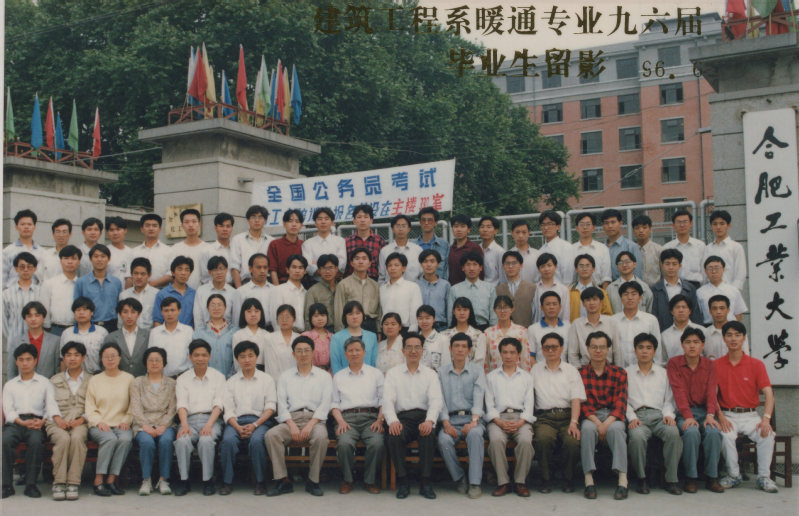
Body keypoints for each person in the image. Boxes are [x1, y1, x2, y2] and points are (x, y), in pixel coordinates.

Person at [265, 335, 333, 497]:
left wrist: (311, 424)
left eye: (307, 350)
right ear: (293, 354)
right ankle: (282, 480)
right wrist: (291, 424)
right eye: (299, 351)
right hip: (291, 419)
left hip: (314, 420)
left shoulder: (324, 376)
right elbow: (281, 404)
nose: (303, 354)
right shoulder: (285, 376)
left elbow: (325, 404)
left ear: (313, 352)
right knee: (271, 435)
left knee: (321, 437)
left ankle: (313, 480)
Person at [716, 321, 779, 493]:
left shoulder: (756, 364)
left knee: (767, 434)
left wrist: (766, 419)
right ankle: (733, 475)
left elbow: (769, 394)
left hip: (751, 416)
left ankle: (764, 477)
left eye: (737, 335)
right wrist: (720, 416)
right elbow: (712, 396)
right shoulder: (716, 365)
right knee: (725, 436)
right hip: (728, 415)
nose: (733, 339)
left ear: (744, 338)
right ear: (724, 339)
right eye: (729, 335)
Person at [383, 332, 444, 500]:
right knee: (394, 435)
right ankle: (403, 481)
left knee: (428, 434)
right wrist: (393, 421)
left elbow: (436, 401)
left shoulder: (430, 374)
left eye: (417, 347)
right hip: (403, 418)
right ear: (403, 351)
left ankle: (425, 482)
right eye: (409, 347)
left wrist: (430, 421)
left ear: (422, 351)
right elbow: (387, 401)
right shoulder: (393, 373)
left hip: (424, 416)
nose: (413, 351)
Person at [666, 327, 725, 494]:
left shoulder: (709, 365)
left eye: (696, 342)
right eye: (688, 342)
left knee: (714, 432)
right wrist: (688, 416)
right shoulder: (674, 364)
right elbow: (678, 392)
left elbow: (711, 392)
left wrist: (711, 415)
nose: (692, 346)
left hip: (705, 411)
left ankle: (712, 477)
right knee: (691, 432)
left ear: (703, 345)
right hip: (682, 412)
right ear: (682, 345)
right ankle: (690, 477)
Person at [625, 333, 683, 495]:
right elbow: (623, 400)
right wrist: (632, 417)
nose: (644, 351)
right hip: (638, 416)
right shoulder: (626, 373)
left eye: (648, 348)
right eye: (641, 347)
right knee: (636, 437)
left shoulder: (663, 373)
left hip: (659, 416)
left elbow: (669, 399)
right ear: (635, 351)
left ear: (654, 351)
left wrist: (668, 415)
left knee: (673, 433)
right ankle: (641, 478)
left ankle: (671, 479)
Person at [219, 340, 277, 496]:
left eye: (250, 355)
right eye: (242, 356)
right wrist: (237, 427)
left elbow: (270, 407)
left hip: (260, 422)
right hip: (236, 422)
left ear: (256, 357)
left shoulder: (267, 379)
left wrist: (255, 425)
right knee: (228, 441)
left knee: (257, 441)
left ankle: (260, 482)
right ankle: (227, 481)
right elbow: (228, 410)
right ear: (237, 359)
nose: (247, 360)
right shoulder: (231, 382)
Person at [2, 344, 59, 499]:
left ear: (35, 361)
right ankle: (6, 485)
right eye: (21, 360)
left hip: (36, 423)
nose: (25, 363)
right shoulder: (10, 385)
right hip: (15, 423)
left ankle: (31, 485)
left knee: (36, 442)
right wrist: (21, 422)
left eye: (28, 359)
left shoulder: (45, 382)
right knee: (5, 440)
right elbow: (8, 410)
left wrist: (43, 421)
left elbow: (51, 406)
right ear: (16, 362)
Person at [330, 337, 385, 494]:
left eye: (357, 350)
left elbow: (384, 401)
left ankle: (370, 480)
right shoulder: (339, 376)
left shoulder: (375, 374)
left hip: (371, 419)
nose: (354, 353)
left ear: (364, 352)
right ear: (345, 354)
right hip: (347, 420)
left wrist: (380, 420)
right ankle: (347, 480)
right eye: (350, 351)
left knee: (377, 443)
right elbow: (334, 404)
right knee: (344, 443)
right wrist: (340, 421)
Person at [531, 332, 585, 494]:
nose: (550, 350)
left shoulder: (571, 370)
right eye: (546, 347)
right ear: (542, 349)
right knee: (543, 439)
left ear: (562, 348)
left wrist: (574, 422)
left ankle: (568, 478)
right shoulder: (535, 370)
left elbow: (576, 399)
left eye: (554, 347)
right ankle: (546, 478)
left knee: (572, 442)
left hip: (567, 417)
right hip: (544, 418)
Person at [579, 331, 629, 500]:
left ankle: (622, 480)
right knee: (587, 430)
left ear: (608, 349)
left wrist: (606, 424)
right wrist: (597, 423)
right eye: (594, 347)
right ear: (587, 349)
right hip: (590, 416)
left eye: (602, 347)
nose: (598, 351)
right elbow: (582, 403)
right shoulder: (580, 373)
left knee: (617, 430)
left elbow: (621, 402)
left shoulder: (619, 372)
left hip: (612, 416)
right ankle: (589, 480)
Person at [173, 339, 226, 496]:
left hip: (212, 420)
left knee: (206, 440)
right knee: (182, 440)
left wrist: (208, 425)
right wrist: (184, 425)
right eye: (196, 355)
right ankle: (184, 480)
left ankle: (207, 481)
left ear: (209, 356)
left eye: (204, 355)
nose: (200, 358)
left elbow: (218, 404)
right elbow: (181, 404)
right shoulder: (183, 378)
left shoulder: (218, 377)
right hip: (189, 420)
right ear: (190, 357)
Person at [484, 337, 534, 498]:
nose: (508, 356)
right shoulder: (491, 377)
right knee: (496, 440)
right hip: (498, 418)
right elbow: (489, 404)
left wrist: (521, 422)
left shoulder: (526, 377)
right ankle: (503, 482)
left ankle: (520, 482)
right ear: (500, 354)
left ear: (518, 355)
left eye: (512, 352)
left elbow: (529, 404)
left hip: (521, 418)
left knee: (526, 441)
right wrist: (498, 421)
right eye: (505, 352)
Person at [437, 332, 485, 499]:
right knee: (443, 440)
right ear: (450, 348)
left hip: (472, 419)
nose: (460, 349)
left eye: (464, 346)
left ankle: (475, 483)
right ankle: (459, 478)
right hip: (451, 420)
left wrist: (473, 421)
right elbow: (440, 400)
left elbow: (479, 396)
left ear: (469, 350)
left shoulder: (477, 371)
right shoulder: (441, 372)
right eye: (456, 346)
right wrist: (446, 423)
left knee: (475, 435)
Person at [85, 342, 134, 496]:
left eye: (113, 356)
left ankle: (112, 479)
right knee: (109, 439)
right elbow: (89, 406)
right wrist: (99, 422)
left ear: (120, 358)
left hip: (121, 423)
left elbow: (133, 405)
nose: (110, 359)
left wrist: (126, 420)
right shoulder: (95, 380)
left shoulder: (129, 379)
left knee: (125, 439)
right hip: (99, 424)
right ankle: (98, 479)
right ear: (101, 359)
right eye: (106, 356)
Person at [46, 342, 92, 501]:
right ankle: (59, 482)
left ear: (83, 358)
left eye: (76, 355)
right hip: (57, 422)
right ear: (63, 358)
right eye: (68, 355)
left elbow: (95, 405)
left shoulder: (91, 380)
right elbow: (49, 403)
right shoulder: (54, 380)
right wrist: (57, 419)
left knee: (77, 438)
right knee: (63, 439)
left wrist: (82, 419)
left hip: (81, 422)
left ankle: (73, 482)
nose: (72, 359)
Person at [130, 347, 177, 496]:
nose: (154, 363)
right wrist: (145, 426)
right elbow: (135, 408)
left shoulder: (172, 383)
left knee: (166, 441)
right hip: (143, 424)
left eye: (158, 360)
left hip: (166, 424)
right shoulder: (137, 382)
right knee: (147, 443)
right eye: (151, 360)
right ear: (145, 363)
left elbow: (172, 409)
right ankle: (146, 480)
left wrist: (163, 425)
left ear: (164, 363)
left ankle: (164, 479)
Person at [650, 249, 703, 331]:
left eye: (674, 264)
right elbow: (653, 315)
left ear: (680, 266)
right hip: (663, 332)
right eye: (667, 264)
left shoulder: (690, 288)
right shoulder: (655, 289)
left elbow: (695, 313)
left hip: (687, 333)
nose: (671, 267)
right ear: (662, 265)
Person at [73, 244, 122, 332]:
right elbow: (76, 306)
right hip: (89, 325)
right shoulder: (81, 282)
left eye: (103, 256)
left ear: (109, 259)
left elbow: (120, 306)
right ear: (90, 259)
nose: (99, 259)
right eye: (96, 256)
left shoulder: (116, 282)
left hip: (112, 325)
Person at [6, 301, 60, 379]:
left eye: (37, 315)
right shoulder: (16, 341)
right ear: (25, 319)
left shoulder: (55, 341)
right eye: (29, 316)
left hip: (47, 384)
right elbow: (11, 370)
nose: (33, 319)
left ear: (43, 318)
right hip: (22, 384)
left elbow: (58, 369)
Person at [613, 282, 662, 367]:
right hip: (619, 369)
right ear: (621, 298)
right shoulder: (613, 320)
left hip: (644, 369)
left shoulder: (650, 320)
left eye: (634, 294)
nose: (630, 298)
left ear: (640, 298)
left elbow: (657, 349)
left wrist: (657, 367)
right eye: (626, 294)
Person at [333, 247, 381, 333]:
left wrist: (379, 330)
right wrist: (340, 332)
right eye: (357, 259)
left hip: (371, 325)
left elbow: (379, 310)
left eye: (364, 259)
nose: (361, 261)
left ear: (369, 263)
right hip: (350, 325)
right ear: (351, 263)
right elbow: (339, 310)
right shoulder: (343, 284)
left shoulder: (375, 285)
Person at [59, 297, 109, 374]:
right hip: (73, 376)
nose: (81, 313)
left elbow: (107, 358)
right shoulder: (67, 333)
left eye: (85, 310)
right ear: (74, 313)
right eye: (78, 310)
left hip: (96, 375)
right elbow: (62, 360)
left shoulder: (102, 332)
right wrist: (64, 377)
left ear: (92, 312)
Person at [449, 252, 497, 330]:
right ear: (463, 268)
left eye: (475, 264)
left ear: (481, 268)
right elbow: (450, 314)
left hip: (484, 328)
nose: (471, 268)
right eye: (468, 265)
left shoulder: (490, 288)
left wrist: (492, 331)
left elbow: (493, 314)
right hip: (462, 329)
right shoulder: (454, 289)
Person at [40, 245, 81, 336]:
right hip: (55, 330)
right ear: (60, 261)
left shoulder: (82, 284)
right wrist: (47, 328)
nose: (70, 262)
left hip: (77, 330)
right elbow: (44, 308)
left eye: (73, 258)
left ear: (79, 261)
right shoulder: (49, 284)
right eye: (66, 258)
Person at [147, 297, 193, 378]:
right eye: (166, 310)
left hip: (183, 376)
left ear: (179, 311)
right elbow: (150, 356)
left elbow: (192, 355)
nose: (169, 314)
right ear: (161, 312)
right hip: (162, 378)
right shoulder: (155, 332)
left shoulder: (188, 331)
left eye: (172, 310)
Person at [484, 296, 532, 372]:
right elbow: (486, 360)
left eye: (506, 307)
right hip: (494, 376)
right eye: (499, 308)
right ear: (494, 310)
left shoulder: (521, 331)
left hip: (516, 376)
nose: (502, 311)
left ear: (512, 309)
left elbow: (525, 358)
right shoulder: (488, 333)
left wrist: (525, 376)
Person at [194, 294, 237, 378]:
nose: (216, 308)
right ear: (207, 308)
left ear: (225, 308)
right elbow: (195, 357)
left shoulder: (234, 331)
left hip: (229, 379)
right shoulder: (199, 332)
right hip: (205, 379)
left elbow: (238, 358)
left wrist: (230, 378)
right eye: (213, 305)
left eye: (219, 305)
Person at [104, 298, 149, 377]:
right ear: (120, 314)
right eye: (125, 312)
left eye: (133, 312)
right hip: (118, 380)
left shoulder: (148, 335)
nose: (129, 316)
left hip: (142, 379)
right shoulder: (111, 337)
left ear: (139, 314)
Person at [702, 210, 746, 291]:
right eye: (715, 224)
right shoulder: (707, 248)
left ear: (728, 226)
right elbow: (704, 273)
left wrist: (732, 291)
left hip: (729, 291)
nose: (718, 227)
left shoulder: (736, 247)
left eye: (722, 224)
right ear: (711, 226)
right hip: (710, 291)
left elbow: (740, 274)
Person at [230, 205, 273, 287]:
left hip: (267, 284)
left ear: (265, 220)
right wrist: (240, 290)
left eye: (260, 217)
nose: (257, 220)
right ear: (248, 220)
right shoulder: (237, 239)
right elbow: (234, 267)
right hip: (245, 283)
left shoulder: (271, 241)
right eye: (253, 217)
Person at [696, 256, 747, 325]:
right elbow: (698, 315)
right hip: (708, 328)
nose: (714, 271)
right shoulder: (699, 292)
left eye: (717, 268)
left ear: (723, 269)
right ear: (705, 271)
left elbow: (739, 314)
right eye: (710, 268)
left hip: (730, 327)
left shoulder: (733, 290)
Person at [332, 301, 380, 374]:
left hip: (368, 377)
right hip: (344, 378)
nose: (355, 317)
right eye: (350, 314)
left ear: (363, 315)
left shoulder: (372, 337)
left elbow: (374, 362)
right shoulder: (336, 337)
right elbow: (335, 364)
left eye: (358, 313)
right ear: (345, 317)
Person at [661, 209, 705, 288]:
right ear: (673, 225)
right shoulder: (667, 247)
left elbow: (704, 270)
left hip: (696, 286)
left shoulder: (700, 246)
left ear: (691, 224)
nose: (682, 225)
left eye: (685, 222)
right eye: (679, 222)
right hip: (674, 286)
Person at [230, 253, 275, 332]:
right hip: (249, 331)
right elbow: (236, 320)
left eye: (265, 267)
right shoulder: (241, 292)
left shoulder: (275, 290)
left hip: (271, 331)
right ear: (250, 269)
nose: (262, 271)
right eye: (258, 267)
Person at [380, 252, 424, 332]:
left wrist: (412, 331)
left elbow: (415, 311)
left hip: (405, 329)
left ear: (404, 268)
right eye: (389, 265)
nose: (392, 268)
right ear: (386, 269)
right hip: (386, 330)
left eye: (396, 265)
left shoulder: (412, 287)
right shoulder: (382, 289)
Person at [3, 252, 41, 341]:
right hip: (14, 341)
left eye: (29, 267)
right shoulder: (6, 294)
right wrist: (11, 338)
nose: (26, 270)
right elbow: (3, 320)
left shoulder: (41, 292)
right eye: (22, 267)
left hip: (36, 341)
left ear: (35, 269)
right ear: (16, 269)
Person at [302, 207, 347, 281]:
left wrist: (316, 264)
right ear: (315, 223)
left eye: (326, 219)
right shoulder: (307, 244)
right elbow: (308, 266)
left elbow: (342, 264)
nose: (323, 222)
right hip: (315, 283)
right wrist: (331, 269)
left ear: (332, 222)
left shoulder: (340, 241)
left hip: (336, 282)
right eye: (320, 219)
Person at [442, 297, 488, 369]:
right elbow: (444, 360)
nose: (462, 313)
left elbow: (479, 362)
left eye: (465, 310)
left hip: (472, 374)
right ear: (454, 312)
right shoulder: (444, 335)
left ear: (470, 312)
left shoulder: (479, 335)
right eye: (459, 309)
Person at [3, 209, 45, 286]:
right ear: (16, 227)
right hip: (12, 292)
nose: (26, 227)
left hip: (35, 293)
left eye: (29, 224)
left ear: (34, 227)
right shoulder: (7, 251)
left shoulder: (42, 252)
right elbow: (2, 278)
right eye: (22, 224)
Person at [344, 204, 386, 281]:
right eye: (359, 217)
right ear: (354, 221)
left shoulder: (379, 241)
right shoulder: (347, 241)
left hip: (373, 281)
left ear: (371, 220)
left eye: (366, 217)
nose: (362, 220)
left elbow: (383, 264)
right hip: (351, 282)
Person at [152, 256, 196, 327]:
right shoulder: (162, 294)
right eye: (180, 269)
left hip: (189, 333)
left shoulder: (194, 294)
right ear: (173, 272)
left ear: (190, 273)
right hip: (168, 332)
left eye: (187, 270)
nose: (183, 273)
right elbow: (157, 320)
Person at [495, 250, 536, 328]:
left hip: (527, 330)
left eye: (514, 263)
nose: (510, 266)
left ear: (521, 265)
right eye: (507, 264)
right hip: (504, 331)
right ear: (503, 267)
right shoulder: (497, 290)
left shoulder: (532, 288)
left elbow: (535, 314)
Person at [660, 295, 706, 362]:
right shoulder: (665, 335)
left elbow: (708, 356)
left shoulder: (703, 330)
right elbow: (663, 360)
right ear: (672, 311)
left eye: (684, 307)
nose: (681, 310)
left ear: (690, 311)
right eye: (677, 307)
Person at [378, 214, 423, 283]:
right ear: (392, 229)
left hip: (413, 288)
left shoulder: (418, 250)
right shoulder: (385, 251)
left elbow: (422, 275)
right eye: (397, 226)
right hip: (391, 288)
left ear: (409, 229)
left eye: (403, 226)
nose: (400, 229)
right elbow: (382, 277)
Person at [131, 214, 172, 288]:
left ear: (160, 229)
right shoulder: (134, 252)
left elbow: (171, 273)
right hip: (138, 291)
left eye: (154, 226)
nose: (151, 228)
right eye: (147, 225)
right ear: (142, 229)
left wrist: (151, 285)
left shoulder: (169, 251)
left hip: (161, 291)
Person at [230, 298, 270, 374]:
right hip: (243, 373)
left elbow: (269, 362)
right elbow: (236, 363)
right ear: (243, 314)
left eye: (256, 311)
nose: (253, 314)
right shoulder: (238, 335)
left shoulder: (267, 335)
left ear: (261, 313)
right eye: (249, 311)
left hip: (263, 374)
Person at [571, 212, 611, 288]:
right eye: (582, 224)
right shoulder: (571, 249)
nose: (585, 227)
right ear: (577, 228)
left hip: (598, 289)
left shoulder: (602, 248)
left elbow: (606, 276)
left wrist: (603, 293)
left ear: (593, 227)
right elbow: (570, 276)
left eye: (588, 224)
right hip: (577, 290)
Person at [567, 254, 612, 321]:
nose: (584, 269)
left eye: (587, 266)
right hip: (575, 326)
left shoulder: (602, 292)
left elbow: (608, 315)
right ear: (576, 269)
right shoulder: (568, 292)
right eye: (581, 266)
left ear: (593, 269)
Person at [193, 256, 235, 327]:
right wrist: (201, 332)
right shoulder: (201, 291)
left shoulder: (233, 292)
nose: (219, 272)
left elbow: (235, 319)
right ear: (210, 272)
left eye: (221, 269)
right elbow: (198, 318)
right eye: (215, 270)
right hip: (205, 331)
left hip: (227, 331)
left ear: (226, 270)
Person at [528, 292, 570, 363]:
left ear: (560, 307)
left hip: (564, 369)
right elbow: (531, 356)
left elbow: (572, 355)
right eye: (547, 304)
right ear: (541, 307)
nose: (551, 307)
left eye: (554, 304)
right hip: (541, 369)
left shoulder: (568, 327)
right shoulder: (533, 329)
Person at [601, 208, 642, 282]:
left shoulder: (631, 246)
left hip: (627, 287)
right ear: (603, 226)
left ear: (620, 223)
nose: (610, 226)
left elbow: (637, 273)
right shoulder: (601, 248)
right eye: (606, 223)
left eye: (613, 222)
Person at [118, 257, 158, 331]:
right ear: (131, 274)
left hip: (150, 334)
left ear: (149, 275)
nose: (139, 277)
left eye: (143, 274)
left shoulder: (156, 294)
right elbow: (120, 322)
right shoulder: (124, 295)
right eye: (136, 273)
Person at [262, 305, 301, 381]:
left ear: (294, 319)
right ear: (277, 320)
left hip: (297, 380)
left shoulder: (299, 338)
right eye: (281, 317)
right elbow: (270, 366)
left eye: (287, 317)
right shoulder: (269, 338)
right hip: (276, 381)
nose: (284, 320)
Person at [416, 249, 451, 331]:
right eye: (425, 261)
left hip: (441, 326)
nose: (428, 265)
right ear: (421, 264)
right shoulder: (416, 285)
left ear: (437, 264)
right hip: (421, 326)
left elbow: (449, 309)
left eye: (432, 261)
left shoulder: (445, 285)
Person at [271, 254, 307, 331]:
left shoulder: (306, 293)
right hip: (285, 333)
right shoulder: (278, 290)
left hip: (304, 334)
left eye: (300, 268)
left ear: (305, 271)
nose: (297, 271)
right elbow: (274, 318)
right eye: (294, 267)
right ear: (287, 270)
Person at [267, 209, 305, 284]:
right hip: (281, 283)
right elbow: (272, 270)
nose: (294, 224)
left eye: (297, 221)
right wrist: (277, 288)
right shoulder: (275, 244)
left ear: (301, 225)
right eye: (290, 221)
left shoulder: (304, 245)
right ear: (284, 224)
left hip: (301, 283)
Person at [531, 253, 570, 323]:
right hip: (538, 327)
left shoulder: (563, 289)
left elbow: (565, 314)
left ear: (555, 267)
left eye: (549, 265)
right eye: (543, 266)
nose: (546, 269)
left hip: (558, 327)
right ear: (539, 269)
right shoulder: (533, 289)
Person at [538, 210, 574, 286]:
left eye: (550, 224)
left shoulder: (566, 247)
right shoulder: (541, 250)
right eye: (543, 225)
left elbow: (568, 276)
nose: (546, 227)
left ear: (558, 226)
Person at [303, 254, 337, 329]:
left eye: (331, 268)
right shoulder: (312, 291)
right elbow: (308, 318)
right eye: (324, 268)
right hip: (322, 330)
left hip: (342, 329)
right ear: (319, 270)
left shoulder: (342, 287)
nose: (327, 271)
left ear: (336, 269)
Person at [447, 214, 483, 286]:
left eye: (462, 226)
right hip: (453, 288)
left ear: (468, 230)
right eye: (456, 226)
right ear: (452, 229)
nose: (459, 229)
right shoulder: (450, 249)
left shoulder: (474, 248)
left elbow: (480, 272)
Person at [415, 207, 449, 280]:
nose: (426, 223)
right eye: (423, 220)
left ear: (436, 223)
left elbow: (446, 270)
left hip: (438, 285)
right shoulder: (412, 245)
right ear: (420, 222)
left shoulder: (444, 245)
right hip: (416, 285)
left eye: (430, 220)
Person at [200, 212, 235, 285]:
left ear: (232, 228)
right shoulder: (207, 251)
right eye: (221, 226)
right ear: (215, 228)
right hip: (214, 288)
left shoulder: (236, 249)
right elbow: (205, 277)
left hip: (235, 288)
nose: (225, 229)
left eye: (228, 226)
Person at [417, 305, 451, 371]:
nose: (424, 321)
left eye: (427, 318)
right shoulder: (413, 339)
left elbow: (446, 365)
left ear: (434, 319)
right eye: (420, 318)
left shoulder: (443, 339)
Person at [632, 215, 662, 286]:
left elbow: (664, 273)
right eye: (637, 228)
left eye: (644, 227)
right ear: (633, 231)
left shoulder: (659, 250)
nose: (641, 231)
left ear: (650, 229)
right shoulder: (631, 250)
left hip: (655, 288)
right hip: (634, 289)